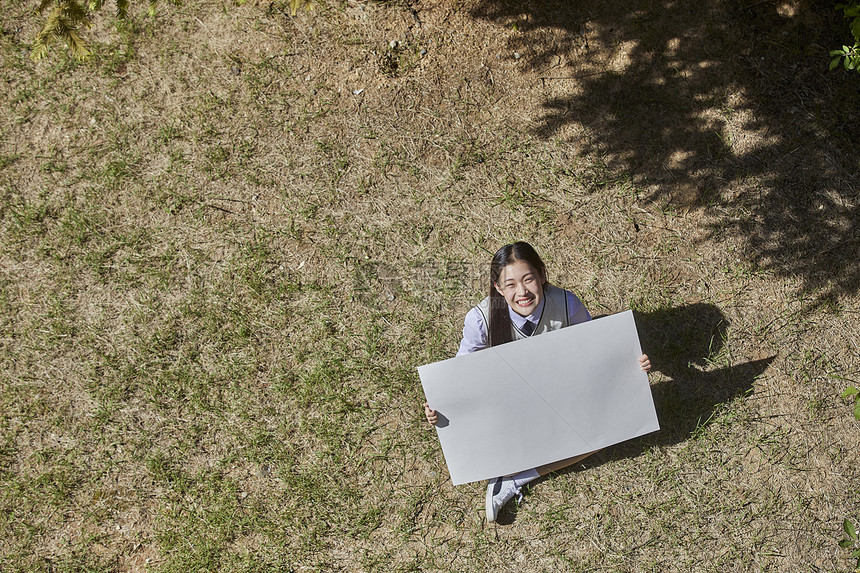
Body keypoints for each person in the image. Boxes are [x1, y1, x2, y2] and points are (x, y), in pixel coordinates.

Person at [423, 241, 651, 522]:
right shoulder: (481, 319)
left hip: (560, 393)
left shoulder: (567, 303)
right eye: (510, 284)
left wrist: (633, 364)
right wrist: (439, 408)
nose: (522, 292)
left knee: (603, 433)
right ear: (497, 288)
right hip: (506, 403)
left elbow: (597, 350)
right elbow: (458, 376)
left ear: (542, 275)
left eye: (528, 279)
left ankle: (517, 479)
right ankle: (506, 469)